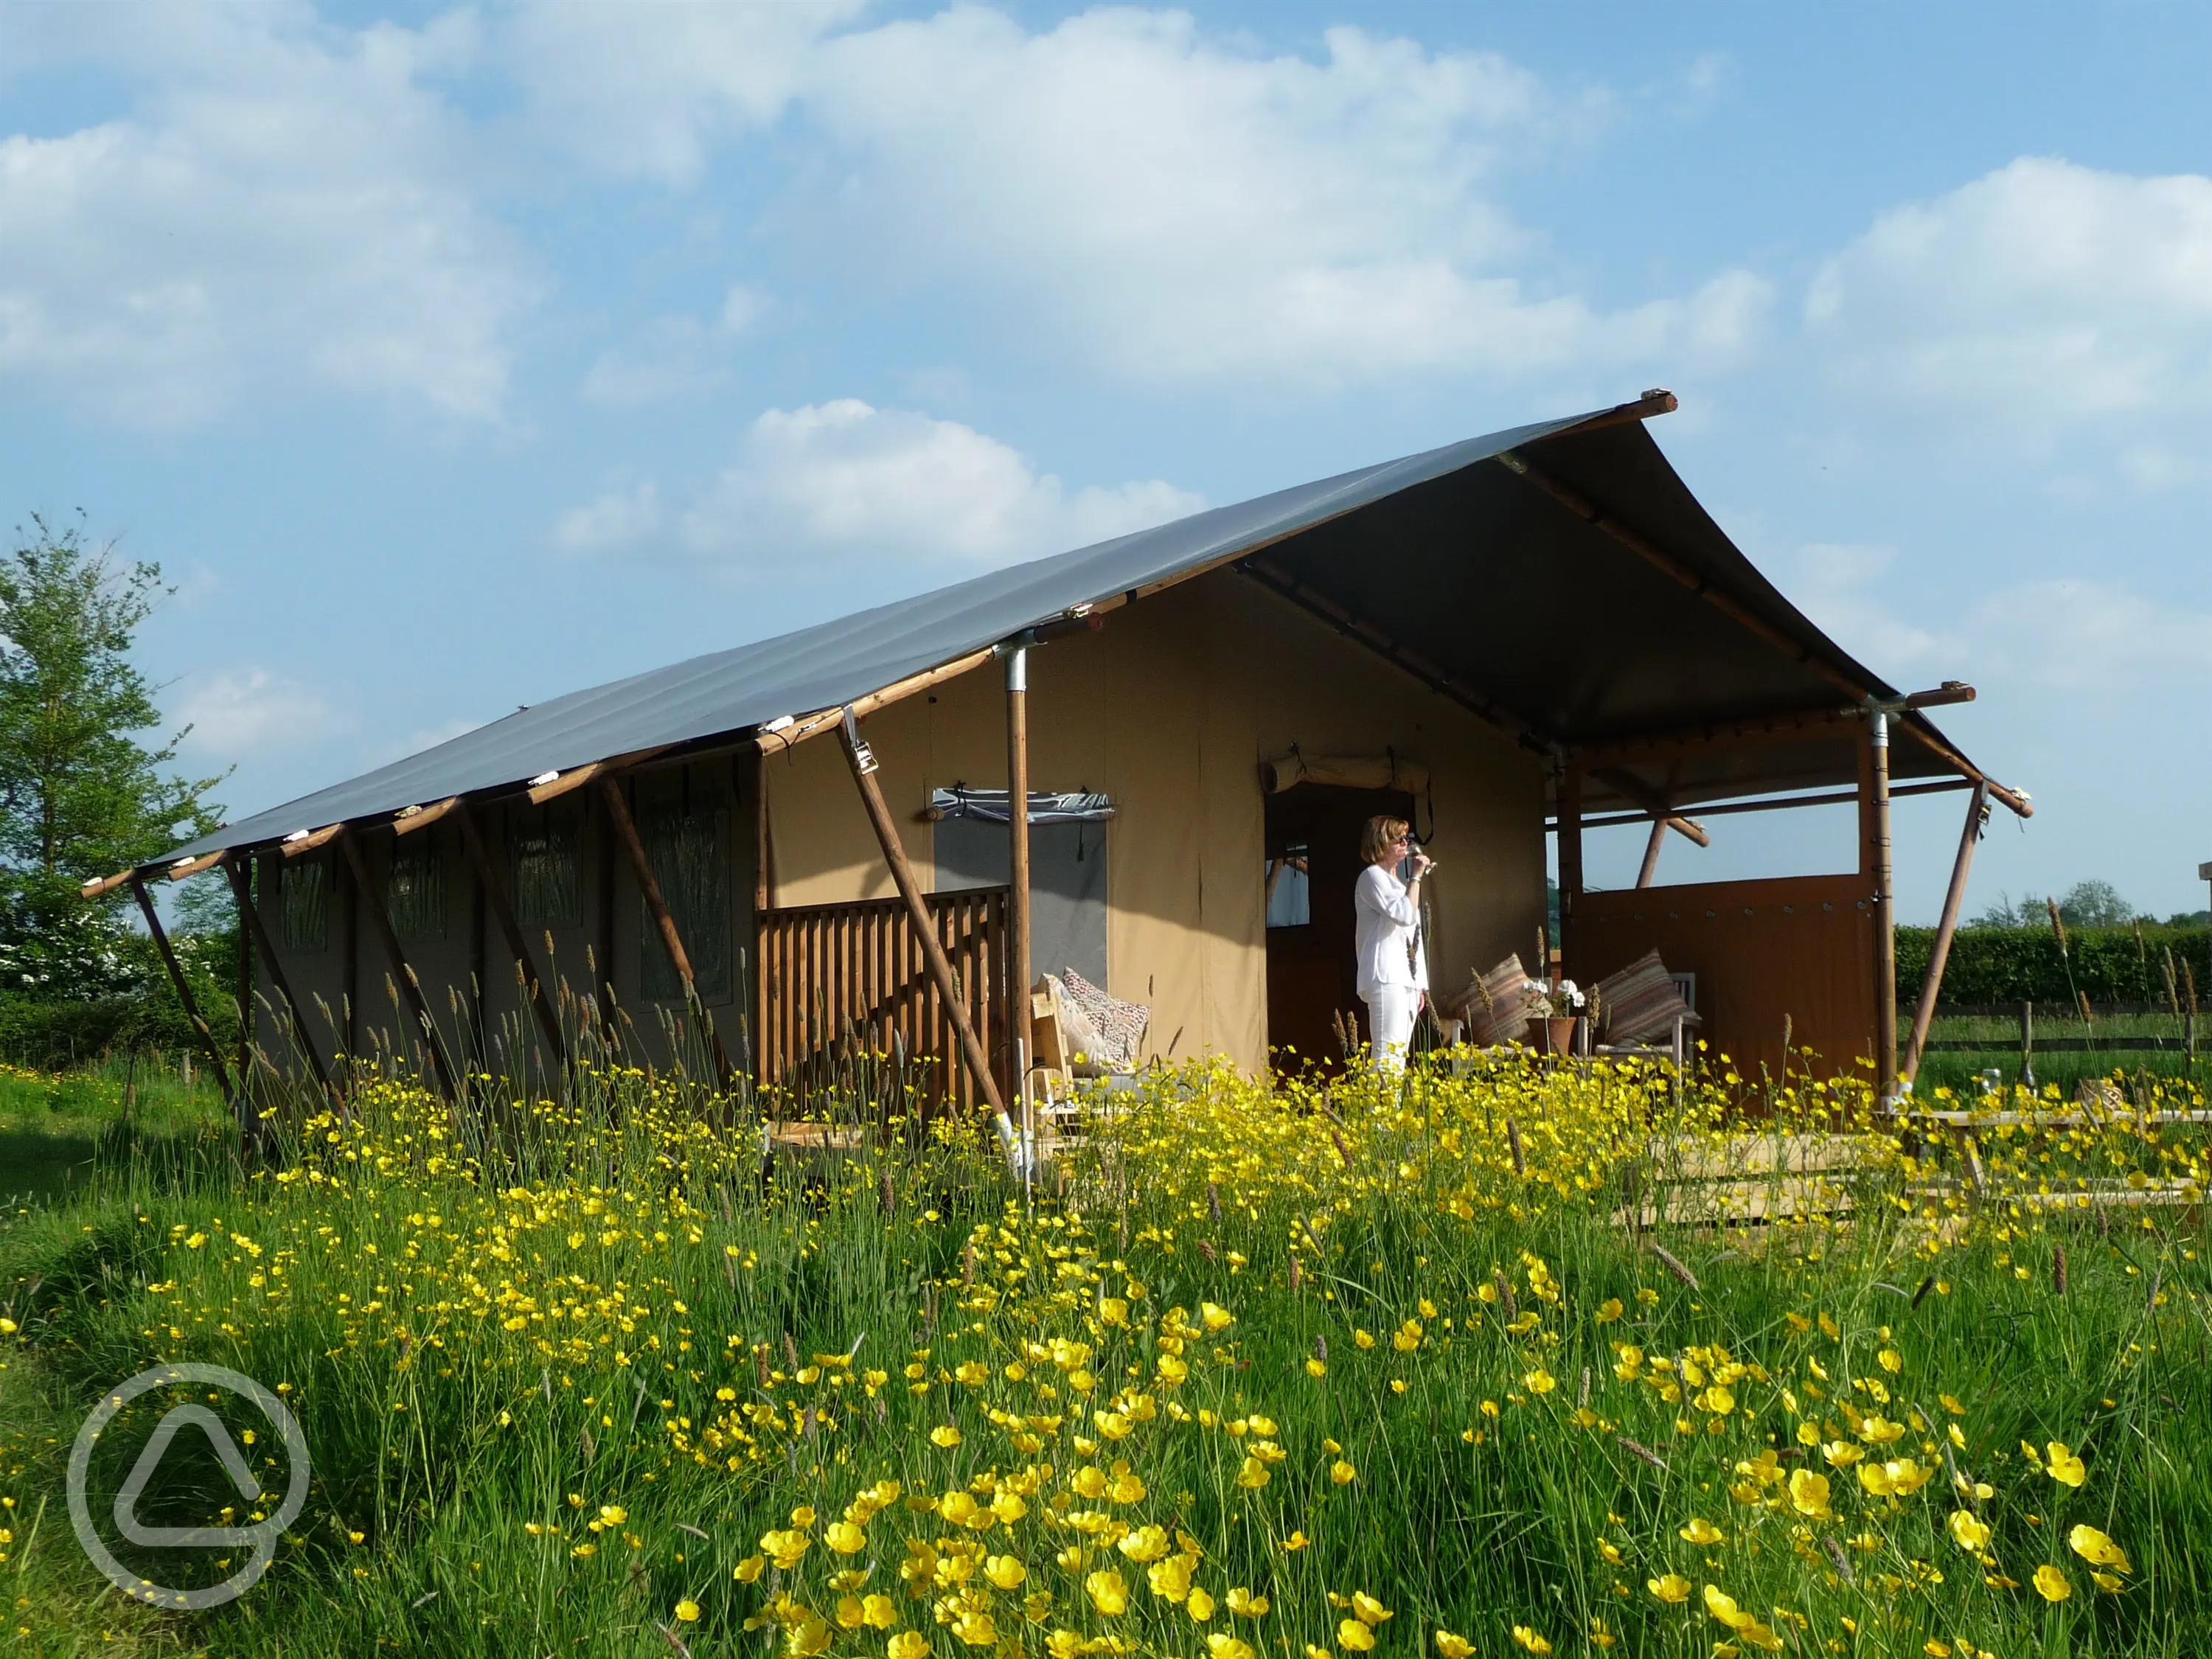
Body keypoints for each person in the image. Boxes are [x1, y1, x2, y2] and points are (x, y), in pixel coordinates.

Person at [1354, 815, 1431, 1074]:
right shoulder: (1372, 877)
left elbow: (1412, 935)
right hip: (1386, 976)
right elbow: (1404, 915)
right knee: (1387, 1055)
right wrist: (1417, 877)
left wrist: (1420, 984)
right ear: (1380, 843)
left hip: (1406, 979)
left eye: (1406, 838)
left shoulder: (1398, 884)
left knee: (1399, 1056)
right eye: (1397, 839)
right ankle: (1379, 1115)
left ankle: (1390, 1113)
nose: (1404, 843)